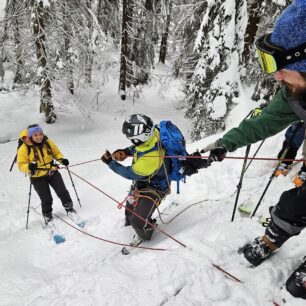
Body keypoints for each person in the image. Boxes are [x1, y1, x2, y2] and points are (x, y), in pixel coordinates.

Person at [202, 0, 306, 299]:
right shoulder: (295, 92)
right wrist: (224, 144)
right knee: (295, 203)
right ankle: (275, 235)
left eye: (279, 66)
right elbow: (265, 122)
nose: (275, 76)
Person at [101, 114, 209, 252]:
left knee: (137, 220)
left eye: (132, 138)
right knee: (129, 209)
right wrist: (125, 151)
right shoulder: (154, 133)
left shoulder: (150, 160)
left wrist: (110, 163)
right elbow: (140, 147)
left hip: (156, 187)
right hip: (145, 181)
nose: (131, 140)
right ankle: (131, 222)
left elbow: (129, 173)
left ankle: (145, 232)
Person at [17, 124, 77, 225]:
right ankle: (47, 215)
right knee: (46, 198)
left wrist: (62, 160)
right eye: (35, 135)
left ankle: (69, 208)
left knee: (62, 191)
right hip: (37, 177)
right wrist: (29, 166)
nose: (39, 137)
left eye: (40, 134)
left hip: (52, 171)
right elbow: (21, 165)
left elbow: (56, 153)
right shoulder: (24, 148)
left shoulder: (48, 142)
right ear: (30, 136)